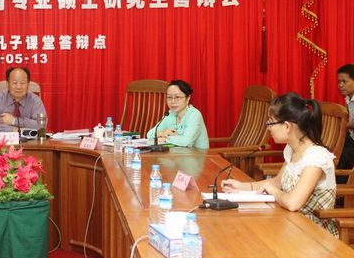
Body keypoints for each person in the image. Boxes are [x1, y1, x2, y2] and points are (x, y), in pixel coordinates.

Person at [222, 93, 338, 237]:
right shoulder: (292, 149)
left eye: (270, 123)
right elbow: (278, 182)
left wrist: (272, 190)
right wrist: (242, 187)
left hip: (313, 234)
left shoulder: (316, 157)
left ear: (287, 126)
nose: (268, 128)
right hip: (290, 224)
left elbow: (293, 203)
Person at [146, 79, 209, 149]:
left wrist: (165, 139)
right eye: (169, 97)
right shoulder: (169, 114)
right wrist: (163, 133)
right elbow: (149, 134)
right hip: (176, 153)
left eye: (177, 97)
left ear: (188, 98)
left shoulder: (194, 115)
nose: (173, 101)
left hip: (197, 154)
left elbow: (186, 142)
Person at [0, 67, 47, 133]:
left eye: (22, 83)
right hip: (3, 139)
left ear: (28, 85)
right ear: (7, 84)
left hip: (30, 139)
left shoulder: (35, 100)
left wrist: (14, 121)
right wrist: (12, 129)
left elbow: (41, 125)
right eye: (15, 83)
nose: (18, 87)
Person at [336, 64, 354, 176]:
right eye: (339, 82)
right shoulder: (348, 98)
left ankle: (339, 183)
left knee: (342, 155)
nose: (341, 85)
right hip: (351, 137)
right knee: (328, 148)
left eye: (344, 81)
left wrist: (343, 125)